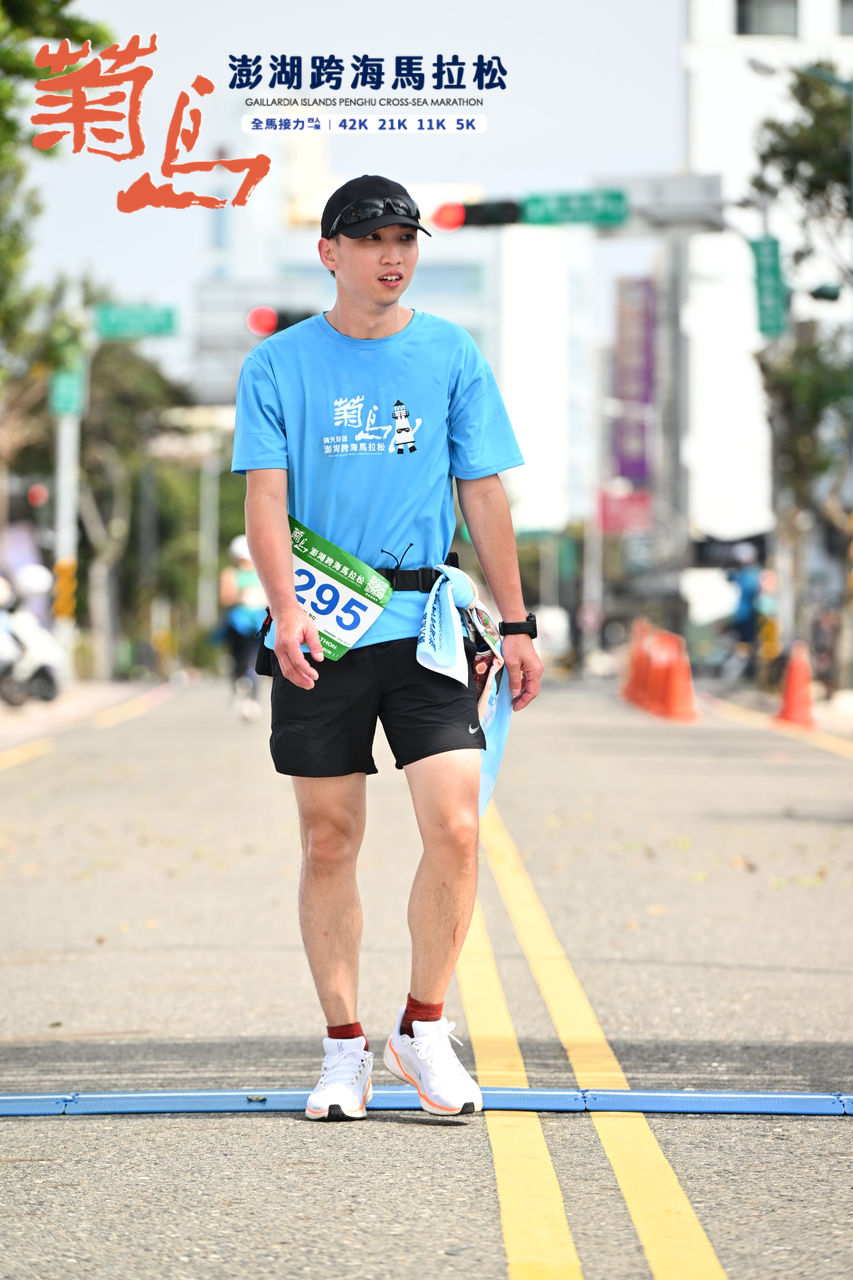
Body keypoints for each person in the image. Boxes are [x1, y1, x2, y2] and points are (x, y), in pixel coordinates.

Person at [231, 174, 542, 1121]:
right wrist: (284, 609)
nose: (390, 254)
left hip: (426, 627)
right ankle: (342, 1051)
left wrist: (516, 622)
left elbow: (480, 490)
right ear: (330, 253)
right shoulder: (278, 365)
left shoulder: (450, 353)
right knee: (329, 840)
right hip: (320, 630)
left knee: (457, 827)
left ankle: (423, 1027)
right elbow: (265, 499)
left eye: (403, 238)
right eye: (369, 240)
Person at [218, 535, 268, 718]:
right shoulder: (230, 574)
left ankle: (253, 699)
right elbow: (226, 597)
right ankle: (239, 685)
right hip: (237, 624)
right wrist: (242, 597)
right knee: (239, 659)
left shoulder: (263, 571)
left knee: (255, 661)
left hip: (259, 624)